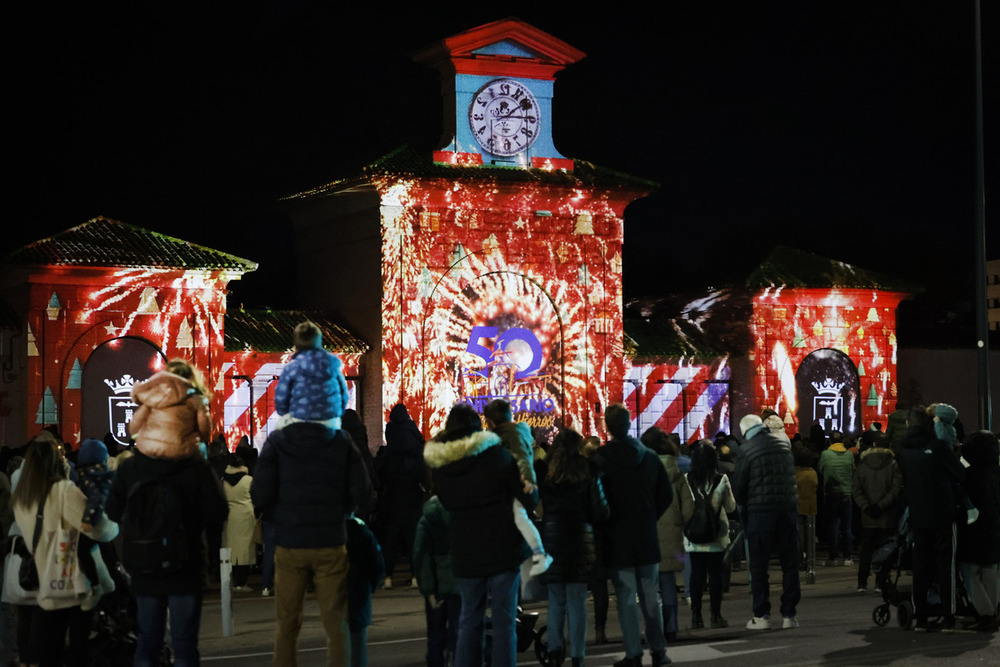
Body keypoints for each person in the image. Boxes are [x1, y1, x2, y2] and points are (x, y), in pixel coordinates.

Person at [250, 415, 372, 665]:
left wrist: (280, 515)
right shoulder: (341, 441)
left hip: (290, 542)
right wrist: (343, 510)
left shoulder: (278, 442)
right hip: (330, 540)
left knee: (286, 625)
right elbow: (365, 493)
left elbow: (259, 495)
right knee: (336, 624)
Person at [422, 403, 532, 667]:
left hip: (465, 550)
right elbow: (524, 493)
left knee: (469, 619)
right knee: (505, 621)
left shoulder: (442, 465)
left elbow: (445, 501)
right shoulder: (495, 455)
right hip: (502, 548)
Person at [13, 435, 119, 666]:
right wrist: (114, 526)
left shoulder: (21, 498)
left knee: (50, 652)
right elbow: (99, 530)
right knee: (79, 649)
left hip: (48, 582)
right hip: (76, 583)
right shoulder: (63, 491)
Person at [591, 404, 672, 667]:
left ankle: (633, 652)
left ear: (608, 426)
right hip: (646, 534)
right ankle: (658, 650)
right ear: (629, 423)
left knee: (625, 598)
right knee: (650, 595)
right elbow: (665, 495)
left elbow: (596, 499)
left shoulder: (601, 459)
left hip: (617, 536)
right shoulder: (649, 458)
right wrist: (650, 516)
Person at [537, 428, 609, 667]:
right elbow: (600, 510)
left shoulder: (547, 473)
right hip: (581, 540)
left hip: (553, 541)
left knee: (556, 600)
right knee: (577, 601)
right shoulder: (588, 471)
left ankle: (556, 651)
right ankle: (578, 655)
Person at [896, 405, 966, 631]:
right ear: (929, 424)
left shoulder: (902, 450)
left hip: (917, 514)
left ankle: (921, 614)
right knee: (946, 565)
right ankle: (948, 614)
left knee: (921, 565)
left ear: (908, 424)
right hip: (943, 512)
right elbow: (960, 474)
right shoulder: (938, 447)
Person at [732, 414, 800, 630]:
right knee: (789, 564)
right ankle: (789, 615)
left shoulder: (747, 450)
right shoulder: (782, 445)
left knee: (759, 565)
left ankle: (762, 615)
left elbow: (739, 488)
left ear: (745, 432)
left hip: (760, 513)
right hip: (787, 510)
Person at [483, 399, 554, 577]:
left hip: (514, 491)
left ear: (490, 422)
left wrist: (527, 481)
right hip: (517, 490)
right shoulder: (516, 434)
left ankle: (540, 555)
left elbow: (522, 460)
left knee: (520, 520)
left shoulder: (509, 437)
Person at [641, 427, 692, 642]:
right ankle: (672, 628)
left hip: (646, 534)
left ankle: (653, 628)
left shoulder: (641, 470)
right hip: (672, 534)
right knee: (668, 582)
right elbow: (689, 508)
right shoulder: (679, 471)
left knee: (649, 586)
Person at [684, 441, 737, 630]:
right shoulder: (721, 479)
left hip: (694, 536)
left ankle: (696, 617)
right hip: (716, 534)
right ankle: (716, 615)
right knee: (715, 575)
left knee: (696, 575)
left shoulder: (686, 479)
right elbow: (731, 507)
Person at [376, 403, 427, 588]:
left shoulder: (389, 448)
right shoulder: (416, 447)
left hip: (392, 500)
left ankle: (388, 577)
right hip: (412, 498)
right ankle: (415, 577)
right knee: (412, 539)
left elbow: (379, 475)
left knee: (391, 539)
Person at [957, 430, 1000, 631]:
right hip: (995, 527)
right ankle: (994, 612)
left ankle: (986, 614)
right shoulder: (996, 472)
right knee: (991, 571)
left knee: (971, 572)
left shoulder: (970, 475)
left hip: (975, 529)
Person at [273, 320, 350, 430]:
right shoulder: (333, 366)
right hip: (330, 423)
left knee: (274, 439)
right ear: (319, 341)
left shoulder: (291, 368)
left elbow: (281, 400)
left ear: (297, 342)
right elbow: (344, 395)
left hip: (299, 421)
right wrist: (336, 414)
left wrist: (287, 414)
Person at [413, 494, 461, 667]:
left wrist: (429, 590)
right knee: (460, 635)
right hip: (459, 585)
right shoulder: (462, 514)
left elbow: (421, 557)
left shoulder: (427, 519)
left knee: (435, 636)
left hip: (437, 588)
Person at [129, 359, 212, 460]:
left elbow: (134, 427)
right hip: (184, 454)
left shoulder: (154, 397)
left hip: (152, 452)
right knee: (202, 450)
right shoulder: (197, 400)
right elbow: (204, 433)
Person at [851, 435, 902, 592]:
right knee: (885, 550)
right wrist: (881, 506)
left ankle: (862, 583)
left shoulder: (862, 464)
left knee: (866, 550)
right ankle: (881, 582)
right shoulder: (893, 464)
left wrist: (866, 506)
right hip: (886, 515)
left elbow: (856, 489)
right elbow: (896, 488)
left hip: (867, 516)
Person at [345, 514, 384, 667]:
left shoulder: (328, 531)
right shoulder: (361, 531)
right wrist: (371, 587)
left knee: (337, 643)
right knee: (357, 646)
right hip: (358, 593)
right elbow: (377, 565)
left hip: (335, 594)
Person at [818, 430, 855, 566]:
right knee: (847, 527)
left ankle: (832, 557)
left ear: (830, 442)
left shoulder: (825, 454)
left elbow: (820, 469)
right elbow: (852, 470)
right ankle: (848, 557)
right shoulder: (850, 455)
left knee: (833, 526)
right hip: (846, 493)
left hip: (830, 494)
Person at [222, 453, 257, 592]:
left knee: (230, 549)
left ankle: (231, 580)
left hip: (229, 518)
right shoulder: (248, 480)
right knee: (244, 551)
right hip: (246, 518)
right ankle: (241, 583)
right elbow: (257, 496)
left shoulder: (223, 480)